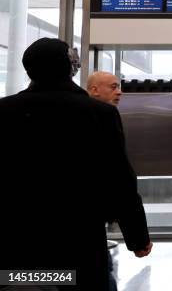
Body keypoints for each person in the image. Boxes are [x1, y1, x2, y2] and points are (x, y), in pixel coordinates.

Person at [0, 38, 152, 291]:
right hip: (79, 240)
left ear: (29, 69)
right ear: (71, 67)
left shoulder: (4, 111)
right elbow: (120, 179)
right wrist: (137, 237)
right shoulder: (99, 114)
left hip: (16, 241)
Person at [87, 71, 126, 291]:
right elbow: (119, 176)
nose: (119, 92)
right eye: (113, 87)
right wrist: (138, 238)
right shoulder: (103, 117)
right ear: (94, 90)